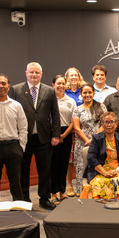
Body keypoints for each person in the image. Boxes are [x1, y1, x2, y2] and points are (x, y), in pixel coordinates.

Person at [8, 62, 61, 210]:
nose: (34, 75)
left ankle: (44, 198)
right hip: (23, 138)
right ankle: (24, 198)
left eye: (37, 73)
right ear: (26, 73)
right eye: (31, 72)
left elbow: (55, 114)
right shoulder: (16, 90)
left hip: (44, 138)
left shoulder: (49, 91)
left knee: (45, 170)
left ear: (41, 74)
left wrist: (56, 134)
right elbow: (11, 114)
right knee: (23, 169)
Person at [0, 73, 27, 203]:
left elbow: (23, 127)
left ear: (8, 87)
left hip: (13, 147)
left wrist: (21, 147)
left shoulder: (16, 105)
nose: (1, 86)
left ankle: (19, 207)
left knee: (16, 181)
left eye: (4, 83)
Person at [80, 112, 119, 200]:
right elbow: (91, 158)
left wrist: (116, 171)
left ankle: (116, 208)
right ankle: (96, 208)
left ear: (116, 124)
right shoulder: (96, 138)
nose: (109, 125)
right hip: (99, 171)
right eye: (106, 122)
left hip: (117, 172)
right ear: (102, 124)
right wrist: (104, 172)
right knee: (98, 183)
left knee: (116, 182)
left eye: (111, 122)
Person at [72, 83, 107, 196]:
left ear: (93, 93)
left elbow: (104, 124)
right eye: (84, 92)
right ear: (81, 94)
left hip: (98, 142)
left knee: (98, 166)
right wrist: (87, 140)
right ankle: (81, 192)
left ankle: (96, 191)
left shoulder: (101, 107)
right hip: (82, 143)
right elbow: (76, 128)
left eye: (89, 92)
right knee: (81, 167)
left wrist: (94, 139)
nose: (87, 94)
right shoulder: (77, 110)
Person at [50, 74, 76, 202]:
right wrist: (55, 135)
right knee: (52, 164)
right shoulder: (49, 99)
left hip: (66, 133)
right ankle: (53, 193)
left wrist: (64, 135)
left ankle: (62, 191)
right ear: (53, 85)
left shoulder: (70, 101)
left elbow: (73, 121)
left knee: (63, 164)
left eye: (63, 83)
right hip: (51, 134)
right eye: (58, 83)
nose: (61, 86)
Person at [63, 66, 85, 196]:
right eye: (70, 75)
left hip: (83, 130)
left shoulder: (83, 91)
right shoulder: (64, 92)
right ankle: (69, 184)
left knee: (80, 158)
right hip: (69, 129)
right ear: (67, 77)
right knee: (70, 159)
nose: (73, 77)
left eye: (75, 75)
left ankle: (80, 184)